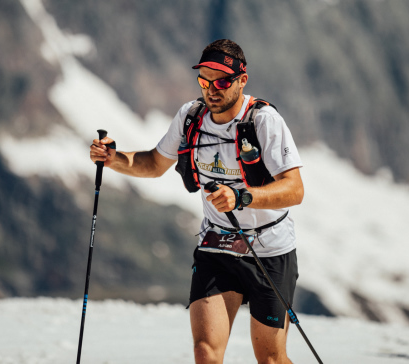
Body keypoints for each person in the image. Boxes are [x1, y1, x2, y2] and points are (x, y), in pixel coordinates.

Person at [90, 39, 304, 364]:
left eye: (221, 82)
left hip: (270, 250)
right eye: (204, 81)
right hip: (217, 245)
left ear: (242, 80)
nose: (211, 90)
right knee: (205, 352)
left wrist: (241, 197)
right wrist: (113, 158)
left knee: (271, 359)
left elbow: (294, 190)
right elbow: (154, 163)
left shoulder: (263, 121)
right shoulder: (191, 117)